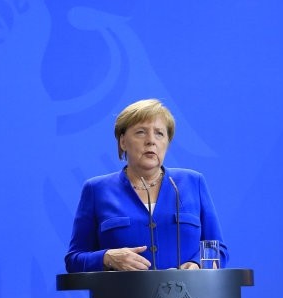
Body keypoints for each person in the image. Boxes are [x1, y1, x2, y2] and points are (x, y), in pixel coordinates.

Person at [65, 98, 226, 272]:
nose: (151, 141)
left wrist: (197, 264)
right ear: (123, 142)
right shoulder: (96, 189)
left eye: (159, 133)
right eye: (141, 132)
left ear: (167, 143)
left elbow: (218, 250)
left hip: (188, 297)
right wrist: (107, 258)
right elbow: (74, 260)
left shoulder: (193, 182)